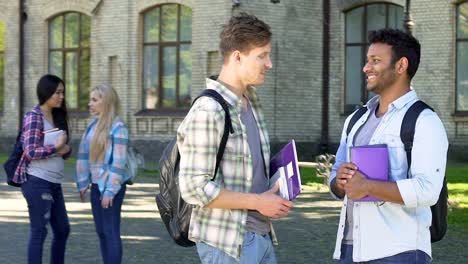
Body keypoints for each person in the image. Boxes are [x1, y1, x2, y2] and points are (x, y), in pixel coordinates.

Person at [177, 12, 293, 264]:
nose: (269, 63)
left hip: (259, 236)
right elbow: (193, 187)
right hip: (227, 244)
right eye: (262, 55)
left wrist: (278, 187)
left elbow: (247, 172)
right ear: (237, 57)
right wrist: (258, 202)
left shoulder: (251, 102)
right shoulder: (209, 110)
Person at [328, 28, 448, 263]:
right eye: (366, 60)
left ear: (401, 65)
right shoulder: (356, 119)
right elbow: (335, 180)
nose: (366, 68)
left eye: (375, 61)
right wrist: (340, 181)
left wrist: (368, 186)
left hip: (399, 251)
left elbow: (427, 190)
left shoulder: (424, 121)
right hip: (349, 248)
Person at [12, 74, 71, 264]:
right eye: (57, 92)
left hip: (55, 182)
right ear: (46, 92)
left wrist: (66, 150)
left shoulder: (57, 116)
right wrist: (56, 148)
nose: (61, 96)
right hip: (37, 181)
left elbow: (64, 148)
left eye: (63, 92)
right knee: (39, 231)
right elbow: (30, 151)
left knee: (62, 229)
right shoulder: (34, 117)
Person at [75, 84, 129, 264]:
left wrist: (110, 191)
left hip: (110, 188)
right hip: (96, 187)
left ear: (106, 102)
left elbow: (118, 163)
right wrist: (83, 184)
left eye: (94, 100)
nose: (90, 104)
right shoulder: (92, 127)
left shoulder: (118, 127)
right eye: (90, 100)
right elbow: (84, 157)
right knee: (100, 231)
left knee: (110, 231)